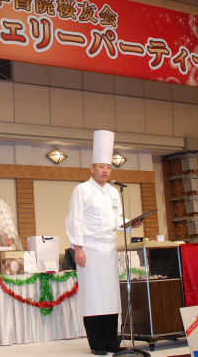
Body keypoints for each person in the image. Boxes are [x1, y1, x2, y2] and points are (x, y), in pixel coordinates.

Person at [65, 130, 143, 355]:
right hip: (89, 249)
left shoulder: (113, 192)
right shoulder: (82, 190)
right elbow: (74, 220)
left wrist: (130, 223)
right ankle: (97, 344)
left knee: (110, 298)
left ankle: (111, 341)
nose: (106, 170)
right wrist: (78, 248)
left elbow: (116, 221)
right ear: (92, 168)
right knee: (93, 297)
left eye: (108, 167)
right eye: (101, 166)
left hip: (108, 250)